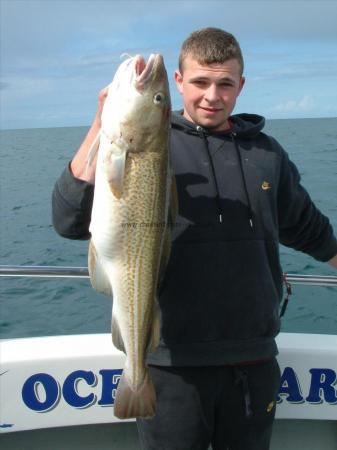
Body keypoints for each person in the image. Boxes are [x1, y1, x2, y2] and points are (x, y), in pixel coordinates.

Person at [52, 28, 337, 450]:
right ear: (180, 83)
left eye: (225, 84)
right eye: (200, 82)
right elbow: (68, 219)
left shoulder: (267, 154)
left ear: (241, 86)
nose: (212, 96)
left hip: (254, 361)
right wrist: (100, 124)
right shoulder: (150, 144)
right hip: (171, 365)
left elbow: (310, 229)